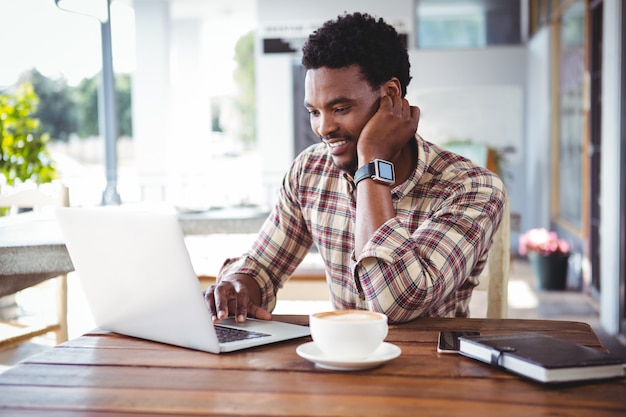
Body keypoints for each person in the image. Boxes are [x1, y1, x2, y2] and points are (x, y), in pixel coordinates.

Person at [204, 12, 506, 324]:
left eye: (341, 108)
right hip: (338, 362)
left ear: (390, 95)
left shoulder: (471, 188)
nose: (323, 128)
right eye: (314, 112)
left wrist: (372, 161)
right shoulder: (310, 170)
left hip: (430, 366)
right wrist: (238, 287)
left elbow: (394, 307)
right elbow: (263, 268)